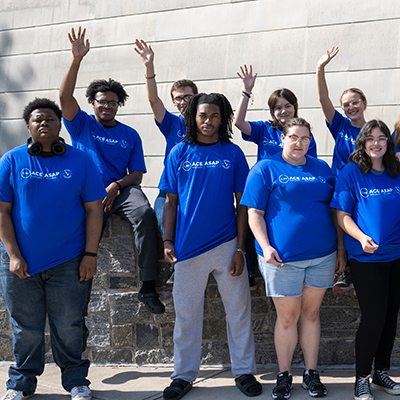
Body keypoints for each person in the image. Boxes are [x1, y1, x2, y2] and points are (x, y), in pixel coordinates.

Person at [0, 98, 106, 400]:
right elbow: (2, 211)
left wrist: (90, 254)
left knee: (69, 325)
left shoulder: (81, 160)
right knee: (25, 327)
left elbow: (94, 209)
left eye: (51, 118)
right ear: (28, 126)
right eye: (38, 119)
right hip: (21, 262)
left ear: (61, 125)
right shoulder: (11, 160)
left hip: (69, 261)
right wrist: (15, 255)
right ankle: (20, 384)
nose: (44, 123)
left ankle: (75, 381)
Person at [160, 93, 262, 399]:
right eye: (203, 115)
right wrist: (167, 240)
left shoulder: (233, 153)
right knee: (187, 315)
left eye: (215, 115)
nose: (208, 121)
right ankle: (183, 375)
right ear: (193, 117)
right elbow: (170, 202)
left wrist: (241, 249)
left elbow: (242, 205)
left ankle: (243, 371)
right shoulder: (179, 152)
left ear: (223, 118)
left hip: (227, 244)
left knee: (239, 311)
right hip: (187, 249)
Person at [59, 27, 165, 316]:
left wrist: (117, 185)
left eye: (113, 102)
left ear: (119, 105)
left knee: (144, 213)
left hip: (121, 189)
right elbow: (64, 97)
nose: (107, 106)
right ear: (92, 103)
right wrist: (76, 60)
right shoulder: (81, 124)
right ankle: (77, 310)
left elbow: (138, 174)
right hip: (88, 191)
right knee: (81, 240)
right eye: (102, 101)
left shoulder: (130, 134)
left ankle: (148, 287)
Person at [241, 118, 343, 399]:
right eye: (294, 137)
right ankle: (284, 374)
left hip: (322, 255)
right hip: (282, 259)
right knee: (287, 317)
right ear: (283, 138)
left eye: (305, 138)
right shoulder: (265, 168)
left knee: (311, 314)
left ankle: (311, 374)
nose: (299, 143)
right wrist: (265, 245)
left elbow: (337, 209)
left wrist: (342, 250)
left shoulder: (321, 168)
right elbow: (254, 213)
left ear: (311, 142)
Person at [331, 119, 400, 400]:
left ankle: (381, 372)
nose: (376, 143)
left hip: (396, 256)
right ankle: (361, 377)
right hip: (366, 258)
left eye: (382, 138)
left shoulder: (397, 172)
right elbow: (341, 215)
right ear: (362, 143)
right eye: (370, 138)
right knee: (373, 317)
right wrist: (359, 237)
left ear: (389, 142)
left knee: (390, 317)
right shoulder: (351, 172)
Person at [134, 39, 198, 239]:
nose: (183, 101)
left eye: (187, 97)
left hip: (195, 186)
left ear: (196, 97)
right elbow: (153, 99)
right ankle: (175, 267)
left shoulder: (207, 125)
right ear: (173, 101)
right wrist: (149, 66)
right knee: (164, 222)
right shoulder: (171, 123)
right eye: (178, 98)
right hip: (170, 187)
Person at [233, 64, 318, 161]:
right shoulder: (263, 129)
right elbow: (238, 122)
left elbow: (311, 164)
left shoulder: (305, 134)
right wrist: (247, 92)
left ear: (295, 108)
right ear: (273, 111)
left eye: (287, 106)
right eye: (278, 108)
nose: (283, 111)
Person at [316, 46, 367, 177]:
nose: (351, 107)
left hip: (363, 184)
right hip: (340, 185)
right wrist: (320, 69)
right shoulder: (340, 125)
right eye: (346, 105)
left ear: (364, 103)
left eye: (355, 102)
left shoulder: (373, 131)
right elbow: (323, 99)